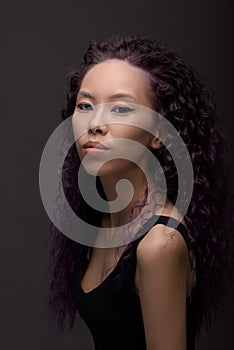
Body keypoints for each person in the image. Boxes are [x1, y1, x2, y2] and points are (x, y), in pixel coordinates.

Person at [47, 35, 234, 350]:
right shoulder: (102, 219)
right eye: (85, 105)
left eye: (120, 108)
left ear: (159, 134)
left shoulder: (159, 245)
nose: (95, 123)